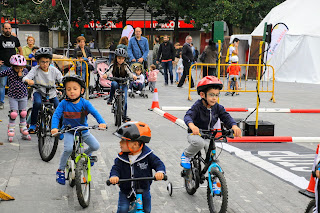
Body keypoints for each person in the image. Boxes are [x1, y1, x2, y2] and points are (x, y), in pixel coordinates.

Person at [51, 75, 107, 185]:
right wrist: (54, 127)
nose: (72, 92)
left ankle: (86, 156)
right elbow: (56, 115)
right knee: (68, 149)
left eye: (75, 89)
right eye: (68, 89)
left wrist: (102, 122)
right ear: (65, 91)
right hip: (69, 131)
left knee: (95, 146)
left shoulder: (85, 103)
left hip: (83, 131)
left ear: (81, 90)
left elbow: (95, 113)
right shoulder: (63, 103)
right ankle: (61, 170)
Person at [180, 76, 242, 169]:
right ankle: (186, 155)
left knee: (212, 155)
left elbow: (226, 117)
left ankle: (213, 178)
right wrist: (192, 126)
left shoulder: (217, 108)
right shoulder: (197, 106)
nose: (214, 98)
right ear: (202, 94)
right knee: (200, 143)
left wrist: (234, 126)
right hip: (195, 134)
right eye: (211, 95)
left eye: (217, 95)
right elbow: (188, 116)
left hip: (209, 135)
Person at [109, 121, 165, 213]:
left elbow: (158, 163)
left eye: (123, 140)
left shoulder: (148, 155)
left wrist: (160, 172)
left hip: (143, 189)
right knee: (122, 209)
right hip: (126, 191)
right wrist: (114, 176)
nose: (120, 143)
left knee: (146, 209)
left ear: (135, 144)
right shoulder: (121, 158)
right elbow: (116, 168)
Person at [23, 47, 63, 133]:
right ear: (38, 62)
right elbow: (26, 77)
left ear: (50, 61)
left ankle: (60, 127)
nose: (45, 64)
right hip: (39, 91)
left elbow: (61, 79)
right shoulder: (35, 69)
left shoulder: (54, 70)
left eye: (47, 62)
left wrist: (65, 83)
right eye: (42, 62)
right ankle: (33, 124)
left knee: (58, 107)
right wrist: (28, 80)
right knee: (37, 103)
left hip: (51, 93)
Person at [0, 55, 31, 142]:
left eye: (21, 68)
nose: (20, 70)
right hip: (13, 96)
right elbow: (1, 74)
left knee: (23, 113)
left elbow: (30, 77)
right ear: (13, 66)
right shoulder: (9, 71)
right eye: (17, 68)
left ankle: (23, 129)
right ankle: (11, 130)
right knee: (13, 114)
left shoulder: (25, 71)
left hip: (23, 95)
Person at [103, 48, 136, 122]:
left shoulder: (125, 65)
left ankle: (124, 117)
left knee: (125, 101)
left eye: (122, 58)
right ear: (116, 58)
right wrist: (105, 75)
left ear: (124, 59)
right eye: (119, 58)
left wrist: (133, 76)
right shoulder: (113, 65)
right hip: (116, 82)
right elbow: (108, 71)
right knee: (113, 84)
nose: (120, 60)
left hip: (124, 83)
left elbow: (130, 72)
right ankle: (111, 99)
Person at [0, 22, 23, 110]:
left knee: (15, 84)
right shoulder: (0, 39)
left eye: (9, 28)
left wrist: (21, 61)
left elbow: (20, 49)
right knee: (2, 85)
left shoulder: (15, 39)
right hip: (4, 65)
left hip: (14, 66)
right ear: (3, 29)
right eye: (6, 28)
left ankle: (16, 101)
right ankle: (1, 102)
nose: (8, 30)